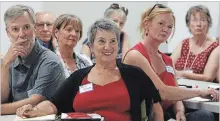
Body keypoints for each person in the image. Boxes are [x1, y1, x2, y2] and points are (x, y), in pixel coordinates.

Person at [16, 18, 162, 121]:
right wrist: (33, 110)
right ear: (91, 47)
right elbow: (53, 104)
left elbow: (156, 107)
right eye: (101, 41)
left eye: (113, 41)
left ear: (118, 45)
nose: (108, 47)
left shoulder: (134, 74)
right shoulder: (78, 77)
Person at [123, 4, 218, 121]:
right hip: (148, 117)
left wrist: (180, 111)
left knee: (205, 116)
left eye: (169, 26)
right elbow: (163, 92)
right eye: (161, 24)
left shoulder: (167, 60)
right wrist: (200, 92)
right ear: (147, 24)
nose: (166, 29)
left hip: (167, 114)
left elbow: (175, 93)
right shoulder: (136, 55)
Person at [1, 5, 65, 115]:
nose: (21, 34)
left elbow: (35, 101)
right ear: (8, 32)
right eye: (15, 29)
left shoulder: (50, 61)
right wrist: (5, 65)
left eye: (26, 27)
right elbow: (2, 98)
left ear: (34, 28)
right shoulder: (8, 59)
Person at [171, 5, 219, 82]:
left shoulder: (215, 46)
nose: (198, 24)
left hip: (202, 89)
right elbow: (169, 66)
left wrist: (183, 74)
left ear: (208, 23)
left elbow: (208, 77)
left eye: (203, 20)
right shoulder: (184, 43)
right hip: (178, 85)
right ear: (188, 24)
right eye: (194, 20)